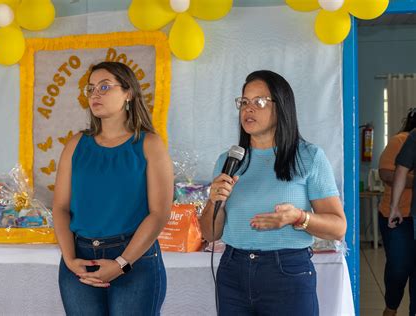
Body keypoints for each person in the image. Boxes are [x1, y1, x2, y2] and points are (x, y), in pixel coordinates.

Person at [199, 70, 347, 315]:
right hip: (232, 271)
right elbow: (209, 233)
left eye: (259, 102)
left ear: (282, 107)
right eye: (244, 102)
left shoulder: (309, 157)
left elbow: (338, 227)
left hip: (287, 271)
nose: (248, 109)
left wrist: (299, 218)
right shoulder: (228, 161)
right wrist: (216, 202)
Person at [52, 61, 174, 315]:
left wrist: (122, 263)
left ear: (128, 93)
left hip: (134, 259)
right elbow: (61, 207)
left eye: (105, 86)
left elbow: (159, 213)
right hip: (80, 259)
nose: (95, 94)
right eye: (91, 88)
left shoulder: (149, 144)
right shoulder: (76, 144)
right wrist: (70, 259)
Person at [379, 108, 416, 316]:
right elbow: (386, 173)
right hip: (397, 217)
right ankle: (390, 308)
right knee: (400, 268)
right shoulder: (401, 140)